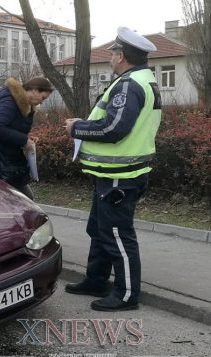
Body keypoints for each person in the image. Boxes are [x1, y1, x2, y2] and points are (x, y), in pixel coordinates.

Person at [63, 27, 161, 312]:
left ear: (120, 56)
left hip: (121, 177)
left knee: (117, 234)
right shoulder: (141, 80)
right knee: (100, 229)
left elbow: (113, 129)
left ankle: (127, 294)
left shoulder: (129, 85)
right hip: (114, 175)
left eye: (112, 53)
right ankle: (96, 279)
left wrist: (76, 128)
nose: (110, 56)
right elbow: (114, 123)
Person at [0, 77, 54, 199]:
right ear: (34, 91)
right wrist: (23, 140)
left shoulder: (24, 105)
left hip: (6, 164)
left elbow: (10, 129)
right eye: (43, 98)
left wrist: (26, 138)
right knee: (23, 201)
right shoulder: (10, 102)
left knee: (24, 200)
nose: (42, 102)